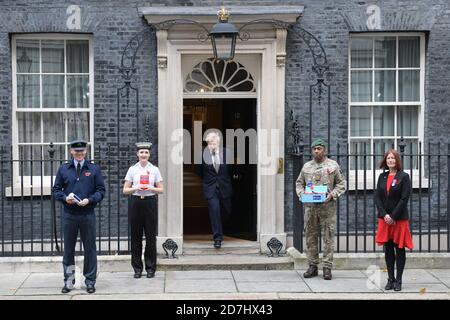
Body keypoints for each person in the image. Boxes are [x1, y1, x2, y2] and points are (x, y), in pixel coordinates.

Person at [53, 140, 105, 294]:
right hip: (70, 214)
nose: (80, 154)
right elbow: (56, 190)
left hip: (87, 214)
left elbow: (101, 190)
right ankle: (69, 281)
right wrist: (64, 198)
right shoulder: (64, 169)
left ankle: (90, 281)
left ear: (86, 152)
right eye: (77, 151)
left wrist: (90, 199)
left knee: (90, 249)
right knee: (68, 250)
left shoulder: (94, 169)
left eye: (82, 151)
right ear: (71, 152)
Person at [296, 138, 346, 280]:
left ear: (324, 150)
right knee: (310, 237)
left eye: (319, 148)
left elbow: (341, 184)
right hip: (310, 208)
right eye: (314, 149)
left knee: (328, 237)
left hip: (327, 207)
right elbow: (299, 183)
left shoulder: (333, 165)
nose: (316, 151)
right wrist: (301, 194)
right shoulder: (306, 167)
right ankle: (312, 266)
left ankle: (327, 267)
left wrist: (332, 194)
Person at [123, 142, 163, 279]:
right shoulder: (132, 169)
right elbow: (125, 190)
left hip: (150, 202)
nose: (144, 155)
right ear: (137, 154)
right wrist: (137, 187)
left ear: (149, 154)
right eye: (141, 152)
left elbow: (161, 189)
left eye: (146, 152)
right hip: (136, 202)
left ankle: (151, 268)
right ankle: (137, 269)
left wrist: (150, 188)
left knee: (151, 237)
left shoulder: (155, 170)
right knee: (136, 237)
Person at [375, 149, 413, 292]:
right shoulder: (382, 176)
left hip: (399, 219)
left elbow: (404, 198)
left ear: (397, 161)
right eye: (388, 158)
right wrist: (384, 215)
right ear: (385, 161)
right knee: (388, 248)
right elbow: (377, 197)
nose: (391, 160)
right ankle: (390, 279)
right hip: (384, 219)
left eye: (393, 158)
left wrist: (393, 216)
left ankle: (399, 280)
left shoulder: (404, 177)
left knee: (400, 248)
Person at [197, 131, 233, 249]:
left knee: (226, 211)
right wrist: (208, 181)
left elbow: (231, 169)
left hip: (224, 186)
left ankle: (222, 228)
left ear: (219, 142)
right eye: (210, 143)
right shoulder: (202, 154)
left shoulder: (227, 153)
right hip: (210, 188)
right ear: (207, 144)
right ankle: (217, 238)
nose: (213, 145)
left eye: (215, 143)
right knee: (214, 211)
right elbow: (199, 171)